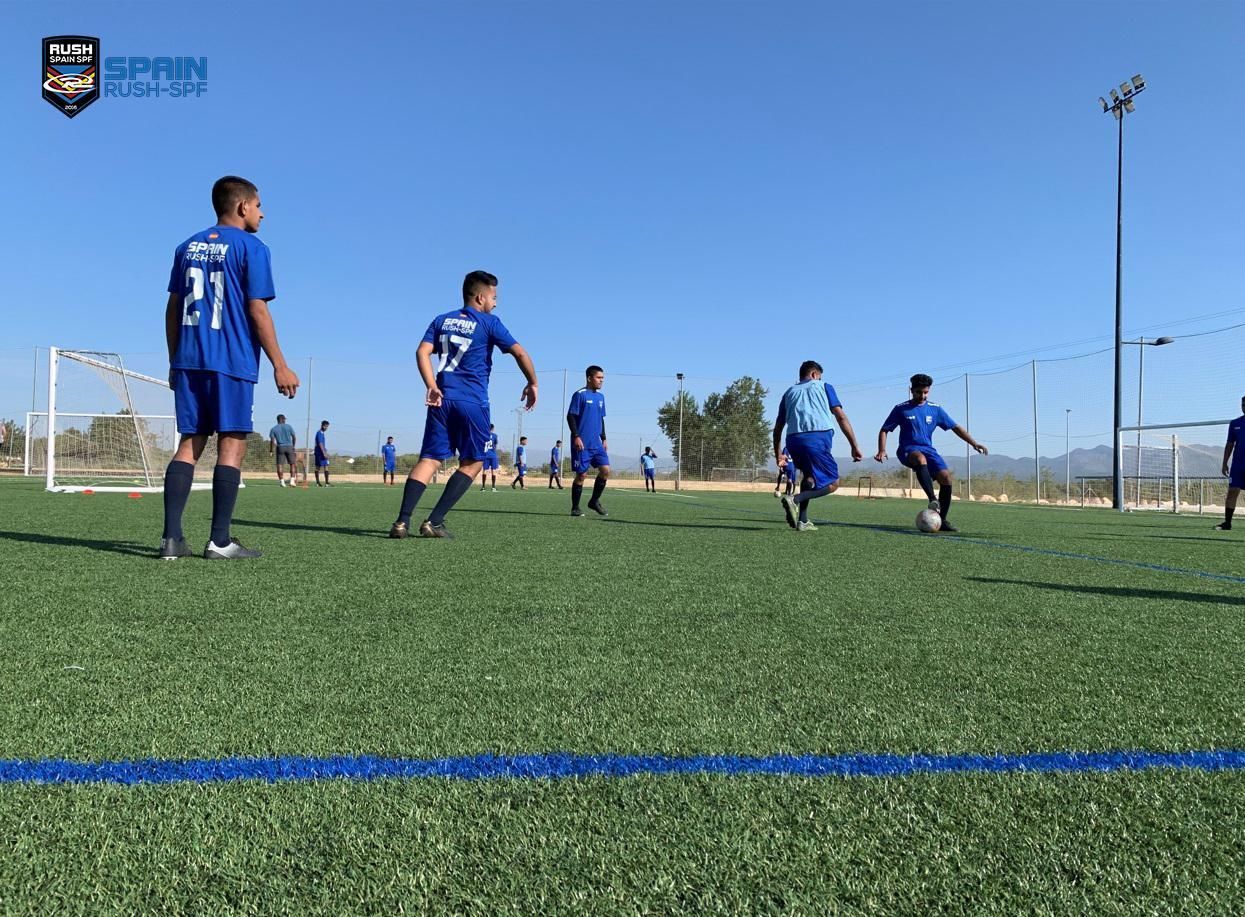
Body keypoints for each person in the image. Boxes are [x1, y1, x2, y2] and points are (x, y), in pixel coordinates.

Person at [159, 175, 299, 560]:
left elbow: (172, 309)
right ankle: (219, 541)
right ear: (242, 207)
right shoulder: (253, 247)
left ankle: (171, 539)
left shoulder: (186, 246)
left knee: (190, 443)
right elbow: (258, 309)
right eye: (258, 206)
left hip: (190, 359)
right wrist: (280, 365)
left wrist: (175, 360)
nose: (262, 213)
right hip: (232, 358)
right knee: (232, 445)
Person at [388, 270, 537, 539]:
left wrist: (431, 385)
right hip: (472, 401)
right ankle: (434, 521)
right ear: (480, 297)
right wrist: (532, 382)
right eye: (494, 296)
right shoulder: (489, 322)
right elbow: (519, 351)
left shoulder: (441, 320)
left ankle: (401, 522)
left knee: (430, 459)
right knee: (472, 462)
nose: (496, 302)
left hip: (441, 399)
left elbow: (422, 352)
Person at [875, 373, 987, 533]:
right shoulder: (901, 409)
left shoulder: (935, 409)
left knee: (946, 477)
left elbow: (955, 427)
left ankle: (943, 520)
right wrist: (882, 450)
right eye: (919, 392)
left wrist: (974, 443)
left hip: (929, 450)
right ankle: (932, 499)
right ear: (911, 390)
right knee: (920, 459)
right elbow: (884, 430)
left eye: (926, 392)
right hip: (907, 449)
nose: (922, 395)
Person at [773, 360, 863, 532]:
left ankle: (803, 521)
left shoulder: (789, 392)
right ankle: (795, 499)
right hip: (816, 437)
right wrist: (854, 445)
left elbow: (777, 428)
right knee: (833, 483)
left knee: (809, 477)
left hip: (793, 439)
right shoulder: (824, 386)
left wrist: (778, 453)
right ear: (815, 375)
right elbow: (840, 416)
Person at [567, 365, 610, 517]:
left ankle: (594, 501)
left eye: (602, 378)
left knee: (605, 470)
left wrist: (603, 438)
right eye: (599, 378)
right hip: (582, 443)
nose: (601, 381)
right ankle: (575, 507)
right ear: (589, 378)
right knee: (581, 475)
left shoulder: (601, 397)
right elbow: (571, 416)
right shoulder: (580, 395)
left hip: (596, 443)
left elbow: (601, 419)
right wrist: (576, 436)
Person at [1215, 395, 1245, 531]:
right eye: (1243, 405)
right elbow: (1229, 444)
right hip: (1238, 465)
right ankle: (1227, 523)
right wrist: (1224, 462)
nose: (1244, 407)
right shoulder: (1235, 423)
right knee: (1232, 491)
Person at [268, 413, 298, 487]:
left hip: (280, 447)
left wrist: (271, 450)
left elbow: (272, 440)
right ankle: (292, 481)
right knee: (292, 464)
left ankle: (282, 482)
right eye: (284, 419)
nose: (285, 420)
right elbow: (294, 437)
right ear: (282, 419)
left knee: (280, 465)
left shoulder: (273, 429)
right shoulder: (289, 427)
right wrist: (293, 446)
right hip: (289, 446)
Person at [480, 424, 499, 492]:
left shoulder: (483, 435)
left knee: (484, 470)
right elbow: (495, 445)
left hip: (485, 455)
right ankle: (493, 487)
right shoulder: (495, 436)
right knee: (493, 471)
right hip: (493, 455)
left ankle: (483, 487)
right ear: (493, 428)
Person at [313, 420, 331, 486]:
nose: (326, 428)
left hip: (321, 452)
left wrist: (325, 451)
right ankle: (318, 482)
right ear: (322, 425)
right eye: (325, 426)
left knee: (326, 465)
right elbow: (320, 444)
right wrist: (324, 453)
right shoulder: (319, 433)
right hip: (319, 453)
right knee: (318, 467)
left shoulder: (322, 433)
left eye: (327, 427)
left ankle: (326, 483)